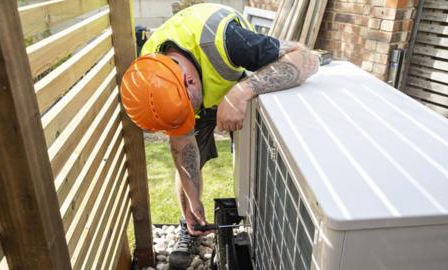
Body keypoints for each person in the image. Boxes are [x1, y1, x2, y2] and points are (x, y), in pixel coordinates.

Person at [120, 3, 319, 268]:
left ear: (189, 82)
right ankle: (189, 226)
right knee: (189, 161)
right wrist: (193, 202)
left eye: (185, 114)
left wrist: (241, 92)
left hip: (235, 77)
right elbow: (182, 147)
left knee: (254, 160)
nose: (185, 124)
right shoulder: (151, 74)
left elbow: (306, 59)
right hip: (198, 87)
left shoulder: (229, 41)